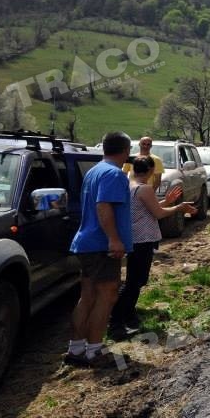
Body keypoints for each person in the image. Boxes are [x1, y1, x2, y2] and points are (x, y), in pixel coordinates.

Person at [64, 131, 133, 368]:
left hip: (87, 243)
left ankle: (76, 349)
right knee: (107, 294)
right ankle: (94, 351)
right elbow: (104, 206)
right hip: (101, 245)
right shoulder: (114, 174)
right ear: (126, 150)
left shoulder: (94, 171)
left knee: (88, 295)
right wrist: (114, 239)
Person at [110, 156, 196, 337]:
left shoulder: (130, 185)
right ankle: (116, 322)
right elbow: (157, 213)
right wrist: (179, 207)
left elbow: (147, 208)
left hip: (135, 238)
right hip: (143, 239)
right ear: (150, 170)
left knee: (136, 280)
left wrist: (168, 201)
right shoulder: (145, 188)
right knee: (135, 281)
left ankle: (128, 316)